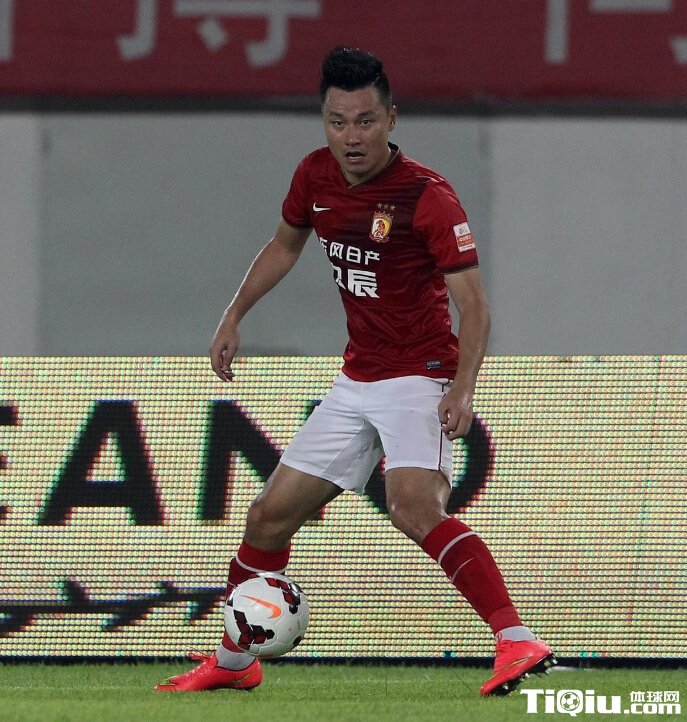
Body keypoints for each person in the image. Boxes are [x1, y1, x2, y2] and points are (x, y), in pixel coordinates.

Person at [156, 46, 556, 697]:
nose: (351, 137)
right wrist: (234, 314)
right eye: (337, 121)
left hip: (419, 376)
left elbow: (475, 307)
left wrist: (462, 388)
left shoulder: (427, 196)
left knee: (413, 507)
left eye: (365, 121)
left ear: (391, 119)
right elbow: (284, 245)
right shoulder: (314, 175)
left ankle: (516, 640)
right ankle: (233, 662)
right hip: (356, 380)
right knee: (266, 517)